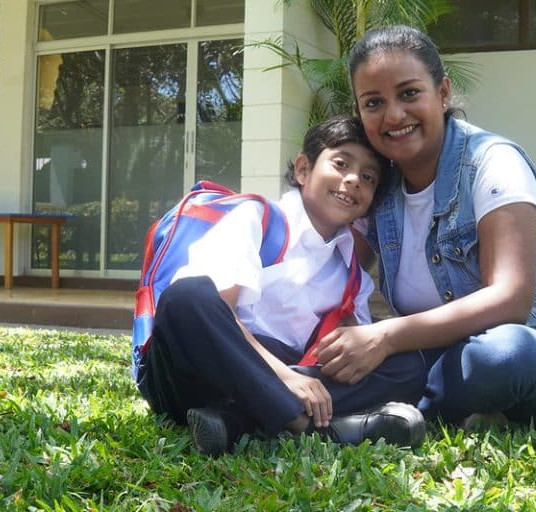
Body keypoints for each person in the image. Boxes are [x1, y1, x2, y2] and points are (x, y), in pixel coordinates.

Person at [313, 25, 536, 427]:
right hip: (437, 356)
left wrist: (386, 337)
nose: (394, 115)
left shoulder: (492, 163)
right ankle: (266, 406)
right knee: (351, 351)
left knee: (499, 356)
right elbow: (334, 269)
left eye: (409, 93)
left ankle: (392, 418)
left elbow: (510, 300)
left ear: (443, 93)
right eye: (373, 102)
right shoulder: (377, 183)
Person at [137, 116, 427, 456]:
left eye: (368, 177)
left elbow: (341, 357)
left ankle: (233, 422)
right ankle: (310, 427)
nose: (353, 180)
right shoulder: (257, 218)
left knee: (408, 365)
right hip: (197, 369)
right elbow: (214, 311)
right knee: (188, 296)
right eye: (341, 164)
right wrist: (282, 379)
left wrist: (352, 346)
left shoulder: (352, 274)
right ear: (303, 169)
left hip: (279, 370)